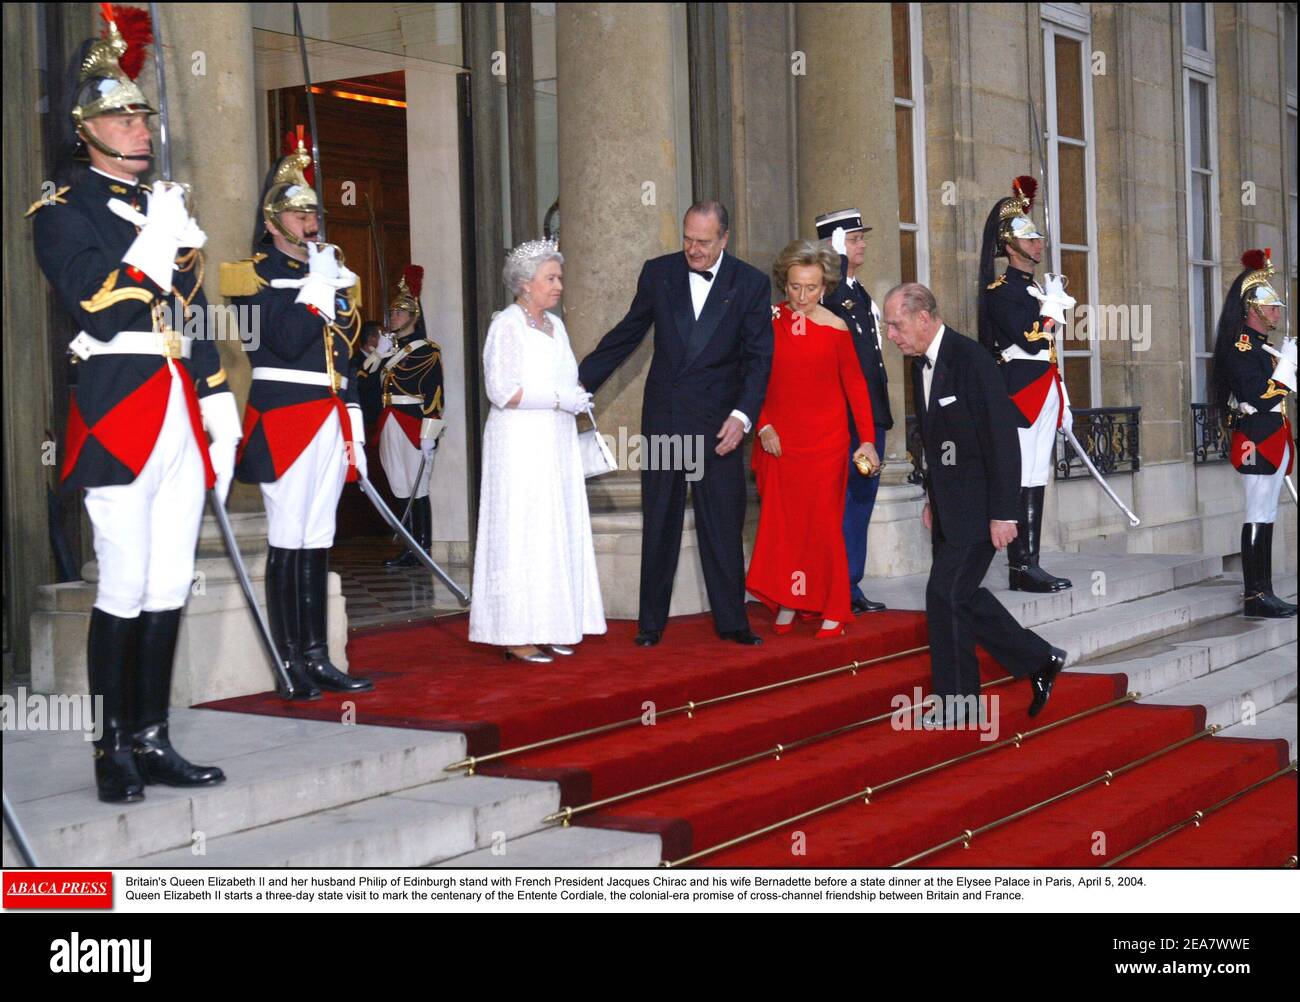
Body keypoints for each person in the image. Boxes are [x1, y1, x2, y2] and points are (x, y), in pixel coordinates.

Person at [28, 10, 236, 802]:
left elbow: (194, 310)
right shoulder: (62, 209)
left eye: (142, 113)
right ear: (86, 131)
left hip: (180, 402)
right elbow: (98, 302)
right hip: (120, 401)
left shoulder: (161, 203)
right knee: (121, 581)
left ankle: (153, 737)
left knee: (170, 579)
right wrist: (155, 241)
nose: (138, 126)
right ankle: (109, 748)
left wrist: (217, 395)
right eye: (122, 115)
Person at [219, 131, 374, 697]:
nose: (311, 222)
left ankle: (316, 656)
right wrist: (316, 289)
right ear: (272, 218)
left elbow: (348, 352)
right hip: (284, 413)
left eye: (313, 211)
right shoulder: (250, 274)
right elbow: (278, 341)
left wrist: (353, 412)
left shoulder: (329, 273)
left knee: (317, 537)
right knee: (288, 537)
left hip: (330, 413)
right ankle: (288, 664)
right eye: (298, 211)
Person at [578, 201, 774, 647]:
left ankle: (732, 622)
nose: (693, 249)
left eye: (703, 241)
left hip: (718, 424)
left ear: (724, 238)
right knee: (660, 519)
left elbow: (760, 359)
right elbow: (627, 333)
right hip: (666, 419)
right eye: (687, 238)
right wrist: (577, 382)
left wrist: (742, 417)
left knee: (722, 522)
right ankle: (651, 624)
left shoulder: (750, 283)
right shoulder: (659, 272)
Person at [882, 282, 1067, 724]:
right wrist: (931, 495)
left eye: (896, 324)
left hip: (983, 507)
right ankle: (1039, 658)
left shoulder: (973, 361)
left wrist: (1005, 512)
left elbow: (1004, 443)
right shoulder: (919, 365)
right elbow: (936, 439)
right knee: (960, 595)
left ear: (923, 318)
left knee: (943, 593)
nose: (891, 334)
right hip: (949, 507)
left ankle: (958, 705)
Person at [469, 239, 606, 662]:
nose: (559, 285)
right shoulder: (506, 325)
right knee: (520, 529)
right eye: (551, 278)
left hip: (554, 441)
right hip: (519, 444)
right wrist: (558, 398)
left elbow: (563, 378)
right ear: (525, 284)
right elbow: (502, 390)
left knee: (551, 529)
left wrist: (576, 396)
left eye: (559, 277)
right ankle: (514, 631)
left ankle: (550, 623)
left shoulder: (555, 326)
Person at [746, 241, 878, 637]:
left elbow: (856, 388)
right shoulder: (768, 323)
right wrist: (763, 425)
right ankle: (789, 599)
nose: (802, 297)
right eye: (794, 287)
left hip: (826, 442)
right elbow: (752, 380)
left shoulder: (837, 328)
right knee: (783, 526)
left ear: (825, 287)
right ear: (783, 284)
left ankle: (834, 604)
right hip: (778, 442)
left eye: (811, 288)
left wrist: (867, 440)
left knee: (821, 525)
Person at [977, 176, 1074, 593]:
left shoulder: (1034, 289)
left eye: (1037, 239)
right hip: (1019, 390)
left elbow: (1049, 351)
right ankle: (1019, 565)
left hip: (1043, 386)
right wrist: (1051, 305)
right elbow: (1031, 336)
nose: (1038, 245)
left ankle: (1029, 562)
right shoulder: (1001, 292)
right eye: (1030, 240)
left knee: (1037, 474)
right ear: (1009, 247)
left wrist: (1062, 394)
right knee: (1019, 474)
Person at [1210, 249, 1296, 619]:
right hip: (1257, 437)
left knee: (1267, 513)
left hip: (1272, 435)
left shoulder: (1263, 347)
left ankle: (1265, 589)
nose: (1276, 312)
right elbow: (1258, 396)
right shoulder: (1239, 346)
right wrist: (1287, 368)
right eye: (1271, 307)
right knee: (1257, 512)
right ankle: (1255, 594)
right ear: (1252, 308)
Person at [816, 208, 893, 613]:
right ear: (836, 241)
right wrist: (833, 261)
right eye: (855, 237)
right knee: (842, 500)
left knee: (861, 498)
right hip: (843, 415)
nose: (863, 244)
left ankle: (850, 583)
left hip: (868, 412)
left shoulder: (857, 292)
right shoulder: (830, 294)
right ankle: (837, 585)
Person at [365, 266, 445, 568]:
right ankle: (409, 546)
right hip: (389, 420)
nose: (394, 316)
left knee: (417, 486)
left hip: (413, 422)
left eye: (400, 312)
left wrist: (429, 433)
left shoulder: (427, 350)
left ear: (414, 316)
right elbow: (365, 379)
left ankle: (422, 547)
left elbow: (435, 393)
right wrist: (377, 355)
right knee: (399, 485)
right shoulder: (388, 352)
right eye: (392, 312)